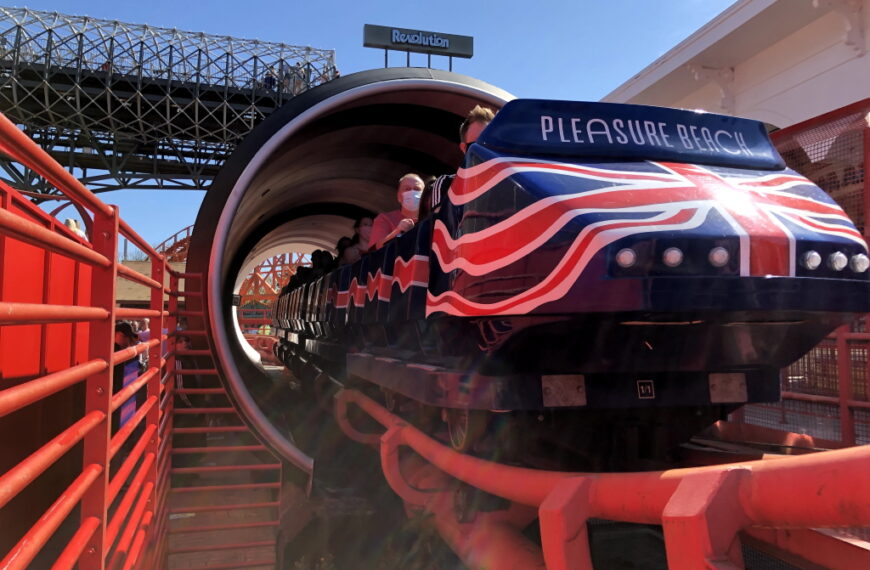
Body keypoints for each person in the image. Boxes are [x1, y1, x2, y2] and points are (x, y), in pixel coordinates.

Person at [421, 105, 496, 218]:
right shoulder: (446, 184)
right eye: (475, 145)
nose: (483, 151)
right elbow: (437, 226)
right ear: (464, 148)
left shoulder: (513, 186)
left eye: (490, 143)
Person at [368, 174, 424, 251]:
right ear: (398, 197)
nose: (412, 192)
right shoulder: (385, 219)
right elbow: (374, 250)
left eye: (417, 189)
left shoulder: (430, 219)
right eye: (407, 189)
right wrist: (397, 232)